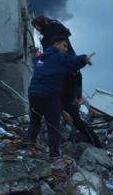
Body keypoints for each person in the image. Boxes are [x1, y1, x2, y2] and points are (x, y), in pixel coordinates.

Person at [31, 16, 102, 147]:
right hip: (65, 84)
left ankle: (96, 143)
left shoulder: (48, 50)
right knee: (65, 115)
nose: (37, 30)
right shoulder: (58, 36)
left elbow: (68, 63)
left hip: (54, 87)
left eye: (37, 27)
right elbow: (72, 64)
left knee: (68, 116)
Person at [27, 38, 91, 159]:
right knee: (53, 126)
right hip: (49, 95)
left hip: (33, 93)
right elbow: (72, 61)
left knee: (34, 122)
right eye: (64, 46)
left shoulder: (42, 57)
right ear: (56, 44)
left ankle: (29, 148)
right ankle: (54, 156)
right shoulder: (58, 56)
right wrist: (84, 58)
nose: (66, 49)